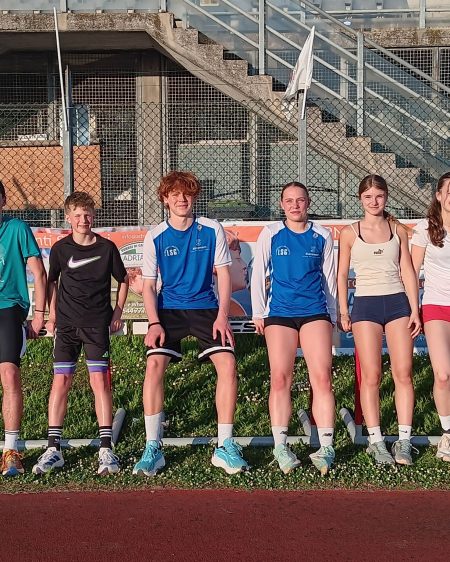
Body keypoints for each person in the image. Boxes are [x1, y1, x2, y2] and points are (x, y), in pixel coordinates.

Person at [133, 171, 248, 476]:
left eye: (187, 194)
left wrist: (222, 316)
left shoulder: (211, 229)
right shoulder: (156, 236)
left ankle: (224, 445)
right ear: (165, 199)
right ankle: (153, 447)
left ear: (194, 197)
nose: (181, 199)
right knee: (154, 365)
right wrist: (154, 323)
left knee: (227, 364)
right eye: (175, 195)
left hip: (206, 308)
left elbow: (225, 275)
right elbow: (149, 285)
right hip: (168, 310)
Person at [32, 192, 128, 476]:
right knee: (61, 381)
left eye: (87, 214)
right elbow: (51, 283)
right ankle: (54, 448)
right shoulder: (60, 249)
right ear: (68, 218)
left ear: (94, 216)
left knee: (99, 381)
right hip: (67, 327)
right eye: (77, 215)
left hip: (96, 325)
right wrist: (52, 316)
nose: (83, 220)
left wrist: (117, 313)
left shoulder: (107, 248)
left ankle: (106, 449)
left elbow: (123, 280)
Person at [251, 181, 337, 475]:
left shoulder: (322, 235)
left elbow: (329, 279)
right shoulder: (271, 233)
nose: (295, 205)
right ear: (281, 204)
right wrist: (259, 312)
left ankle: (326, 448)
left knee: (322, 378)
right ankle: (281, 447)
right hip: (280, 314)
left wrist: (333, 315)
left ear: (308, 203)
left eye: (300, 200)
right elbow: (258, 273)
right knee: (280, 379)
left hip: (315, 312)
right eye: (289, 200)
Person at [337, 174, 421, 465]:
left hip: (397, 304)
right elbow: (341, 274)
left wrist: (414, 310)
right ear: (360, 199)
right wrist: (343, 311)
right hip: (365, 307)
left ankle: (404, 441)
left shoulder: (398, 230)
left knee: (403, 373)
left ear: (386, 197)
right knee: (371, 375)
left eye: (379, 196)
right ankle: (376, 441)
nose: (374, 202)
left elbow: (408, 270)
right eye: (368, 197)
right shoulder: (349, 232)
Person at [0, 181, 47, 477]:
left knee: (9, 373)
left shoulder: (16, 228)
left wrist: (39, 314)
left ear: (3, 200)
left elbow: (39, 273)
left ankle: (11, 450)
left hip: (8, 306)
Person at [411, 172, 450, 462]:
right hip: (436, 306)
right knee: (443, 374)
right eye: (449, 191)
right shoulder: (425, 228)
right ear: (438, 195)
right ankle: (448, 433)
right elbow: (411, 272)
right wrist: (414, 309)